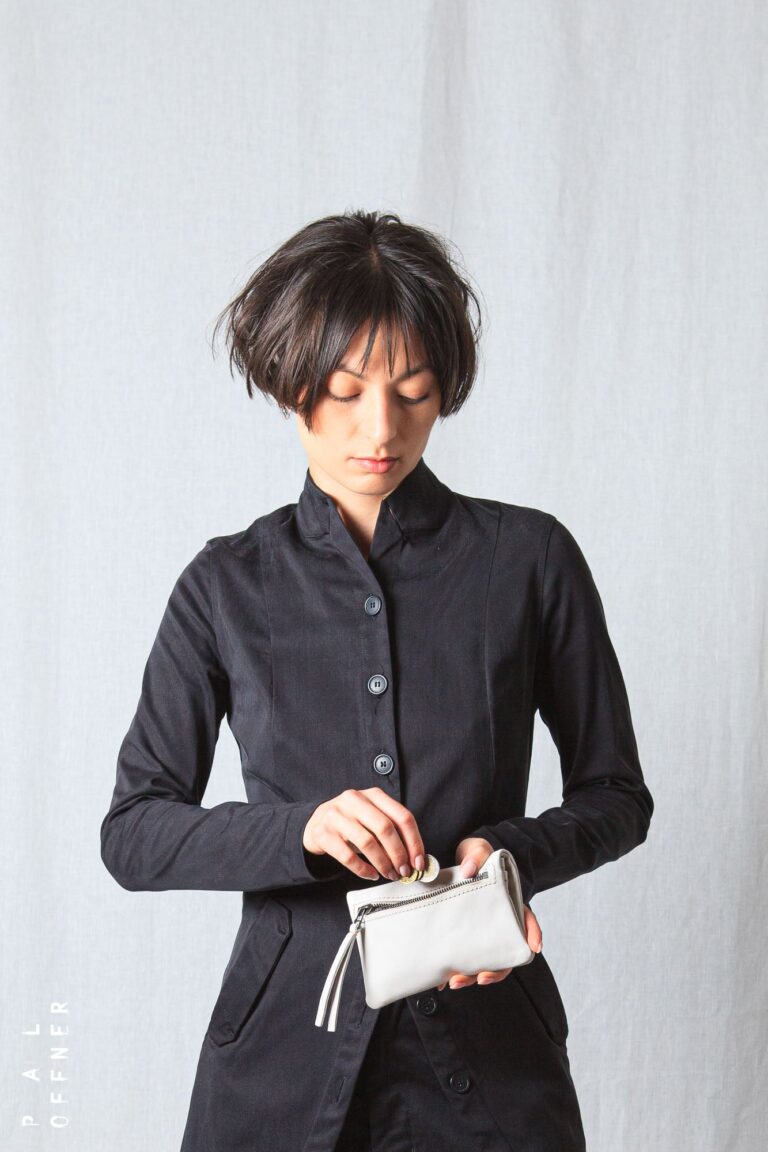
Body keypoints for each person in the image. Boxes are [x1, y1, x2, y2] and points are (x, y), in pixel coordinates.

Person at [100, 209, 654, 1152]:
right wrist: (302, 831)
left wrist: (507, 859)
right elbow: (134, 833)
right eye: (346, 391)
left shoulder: (529, 560)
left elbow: (617, 796)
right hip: (277, 1068)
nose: (381, 429)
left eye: (414, 390)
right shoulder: (224, 585)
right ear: (290, 384)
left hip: (492, 1062)